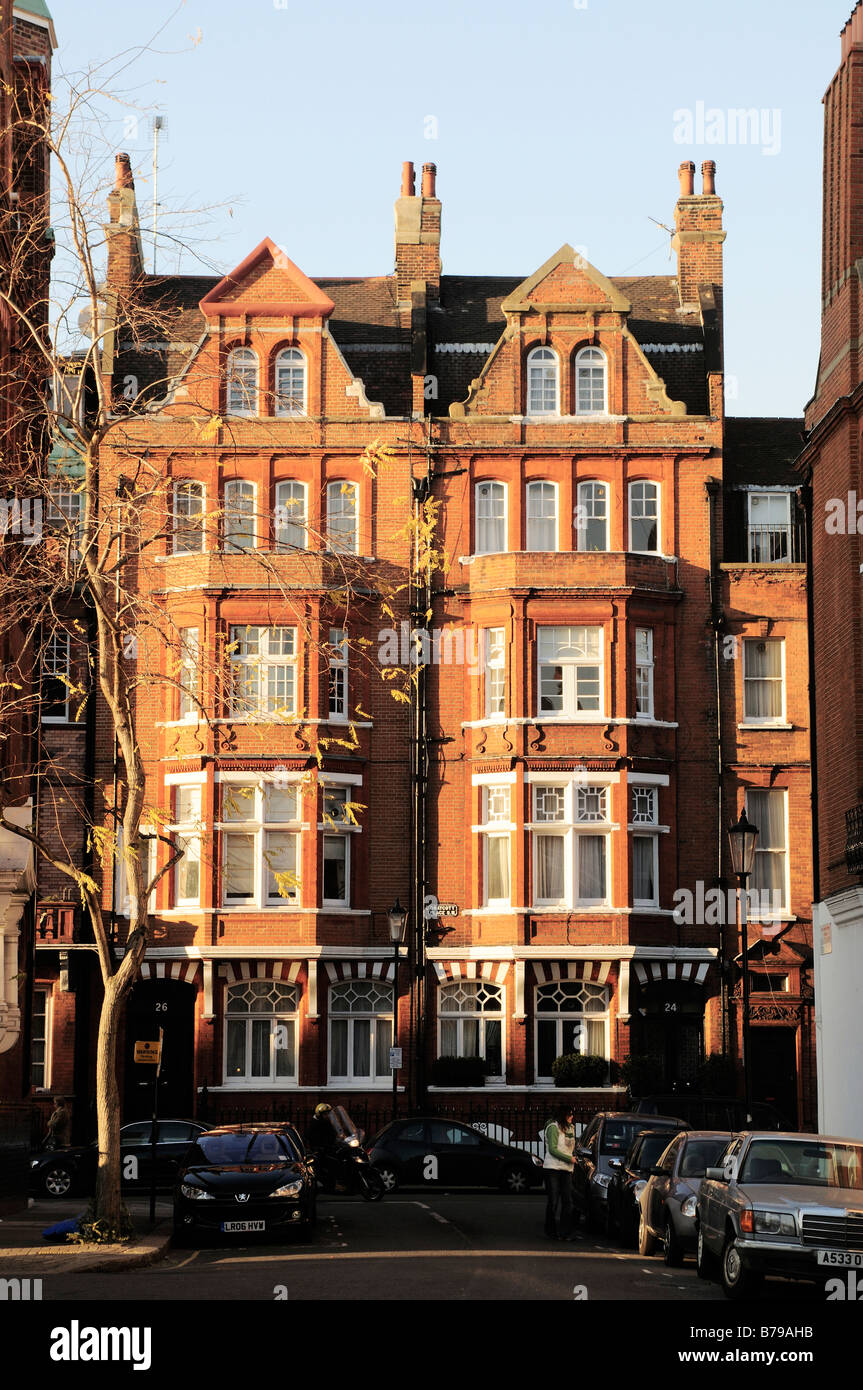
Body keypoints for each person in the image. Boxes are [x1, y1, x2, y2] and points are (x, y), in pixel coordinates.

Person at [543, 1103, 575, 1240]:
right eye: (570, 1114)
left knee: (568, 1201)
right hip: (553, 1168)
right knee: (554, 1201)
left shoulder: (570, 1128)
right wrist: (570, 1159)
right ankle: (551, 1231)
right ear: (564, 1115)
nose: (572, 1117)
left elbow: (570, 1146)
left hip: (566, 1169)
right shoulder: (553, 1127)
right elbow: (553, 1149)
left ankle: (565, 1232)